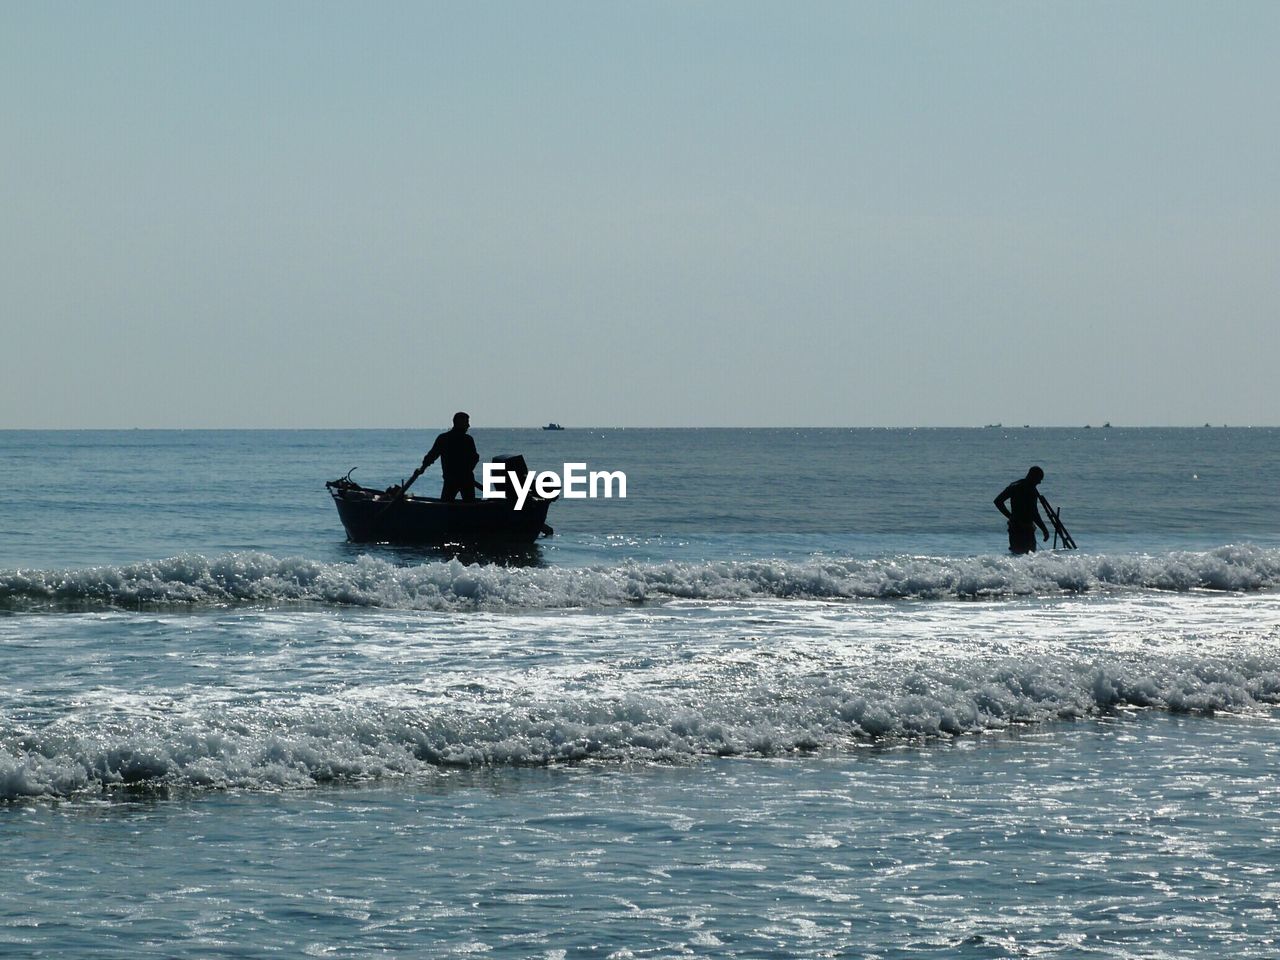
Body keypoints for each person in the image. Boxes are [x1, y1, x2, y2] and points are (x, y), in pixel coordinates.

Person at [421, 411, 480, 501]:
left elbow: (431, 456)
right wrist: (466, 471)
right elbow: (474, 458)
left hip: (453, 480)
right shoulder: (467, 440)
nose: (468, 426)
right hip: (462, 480)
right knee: (469, 505)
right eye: (466, 422)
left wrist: (423, 467)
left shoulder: (444, 438)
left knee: (445, 505)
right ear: (459, 423)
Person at [994, 465, 1050, 555]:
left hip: (1016, 528)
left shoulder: (1015, 486)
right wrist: (1044, 530)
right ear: (1032, 476)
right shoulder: (1030, 490)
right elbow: (1034, 513)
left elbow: (998, 501)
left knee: (1018, 555)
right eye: (1039, 479)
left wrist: (1011, 517)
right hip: (1023, 529)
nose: (1039, 482)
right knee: (1029, 556)